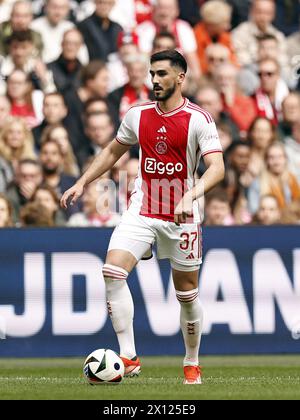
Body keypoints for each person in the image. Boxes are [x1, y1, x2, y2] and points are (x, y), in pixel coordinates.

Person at [61, 50, 225, 385]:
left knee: (186, 294)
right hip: (143, 207)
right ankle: (129, 357)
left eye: (162, 74)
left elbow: (217, 168)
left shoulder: (198, 119)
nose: (155, 80)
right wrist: (82, 181)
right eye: (152, 74)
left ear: (180, 78)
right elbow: (112, 150)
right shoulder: (137, 115)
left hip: (182, 216)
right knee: (112, 271)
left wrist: (190, 195)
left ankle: (191, 361)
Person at [248, 142, 300, 214]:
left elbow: (298, 204)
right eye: (271, 157)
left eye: (280, 157)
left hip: (289, 222)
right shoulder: (257, 183)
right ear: (266, 160)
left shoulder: (291, 179)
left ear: (285, 159)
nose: (276, 162)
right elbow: (253, 211)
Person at [232, 0, 287, 68]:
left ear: (273, 15)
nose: (263, 16)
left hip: (273, 73)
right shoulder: (240, 33)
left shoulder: (278, 36)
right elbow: (241, 61)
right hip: (250, 73)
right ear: (251, 12)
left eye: (267, 13)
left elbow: (284, 62)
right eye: (259, 12)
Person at [194, 0, 237, 74]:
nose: (228, 26)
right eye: (225, 22)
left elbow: (233, 62)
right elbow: (198, 65)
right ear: (212, 24)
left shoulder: (225, 36)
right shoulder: (195, 38)